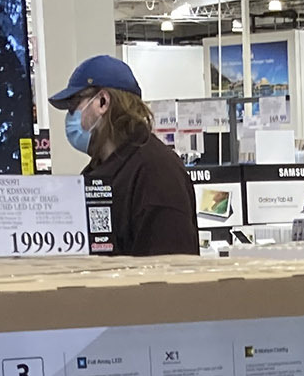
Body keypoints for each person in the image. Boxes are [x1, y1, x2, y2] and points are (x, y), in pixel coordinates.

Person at [48, 56, 200, 258]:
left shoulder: (156, 173)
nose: (70, 116)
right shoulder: (100, 171)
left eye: (74, 104)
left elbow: (170, 273)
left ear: (103, 101)